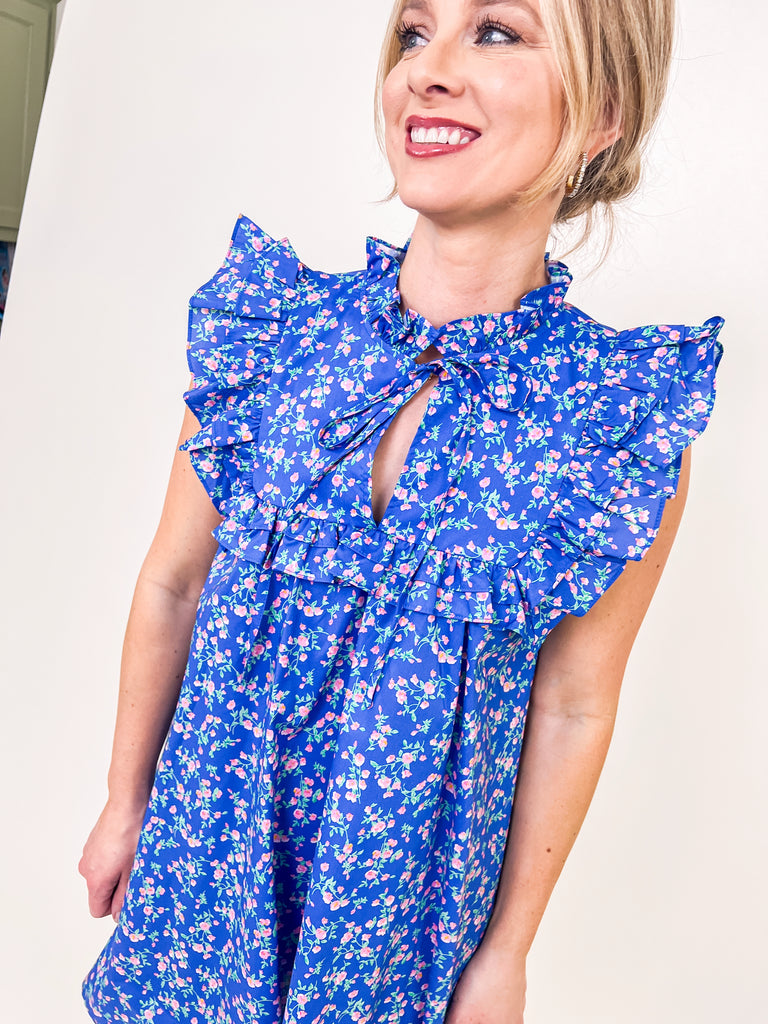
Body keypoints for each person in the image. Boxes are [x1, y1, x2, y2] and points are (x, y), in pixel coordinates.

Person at [79, 1, 724, 1021]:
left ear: (602, 109)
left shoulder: (612, 419)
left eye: (498, 31)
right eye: (415, 33)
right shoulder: (281, 336)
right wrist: (125, 802)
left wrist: (508, 951)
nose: (426, 71)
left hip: (406, 920)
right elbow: (176, 580)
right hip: (206, 854)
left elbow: (572, 704)